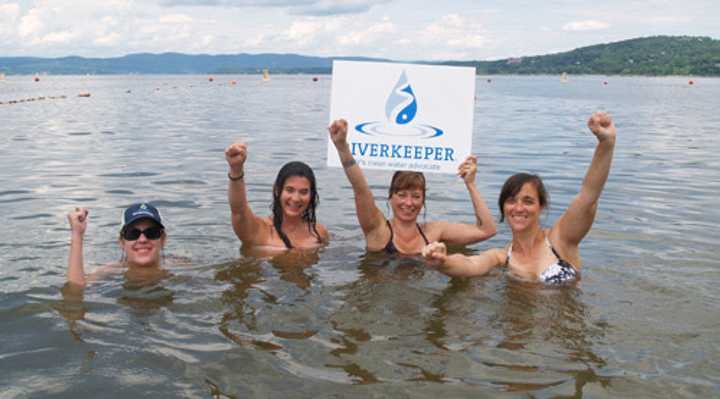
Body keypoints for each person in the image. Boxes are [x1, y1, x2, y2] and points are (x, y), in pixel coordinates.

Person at [422, 111, 617, 284]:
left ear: (541, 206)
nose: (519, 208)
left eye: (528, 201)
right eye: (511, 200)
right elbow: (469, 264)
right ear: (504, 208)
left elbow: (588, 196)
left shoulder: (561, 239)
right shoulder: (501, 257)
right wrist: (443, 261)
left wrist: (606, 144)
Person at [328, 119, 496, 255]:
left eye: (416, 196)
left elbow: (487, 230)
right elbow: (360, 188)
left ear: (423, 201)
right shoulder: (377, 229)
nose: (409, 203)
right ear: (391, 197)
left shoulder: (434, 232)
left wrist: (471, 184)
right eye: (402, 194)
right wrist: (343, 148)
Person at [225, 142, 328, 250]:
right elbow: (239, 210)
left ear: (311, 195)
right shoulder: (258, 230)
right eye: (289, 190)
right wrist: (236, 170)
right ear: (277, 190)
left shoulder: (319, 232)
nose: (296, 198)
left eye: (303, 192)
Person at [66, 202, 168, 287]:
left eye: (151, 232)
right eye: (132, 233)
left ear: (163, 239)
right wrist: (77, 233)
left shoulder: (178, 269)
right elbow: (75, 291)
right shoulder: (109, 271)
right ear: (122, 242)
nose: (142, 239)